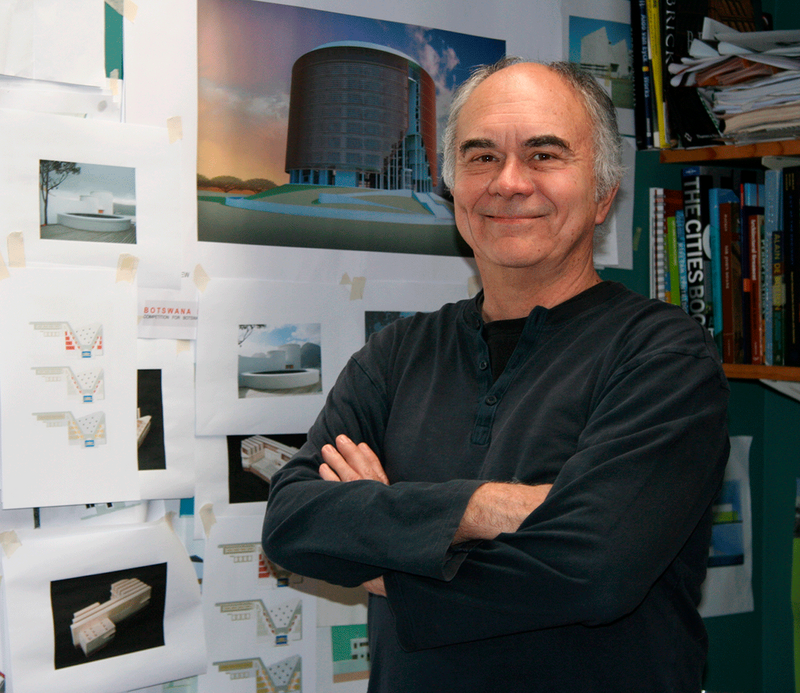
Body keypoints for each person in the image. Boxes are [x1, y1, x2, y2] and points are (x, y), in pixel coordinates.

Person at [262, 57, 730, 692]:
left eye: (543, 155)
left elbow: (593, 569)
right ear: (454, 187)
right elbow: (292, 523)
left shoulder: (662, 355)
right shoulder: (395, 355)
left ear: (602, 195)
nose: (509, 182)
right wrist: (493, 507)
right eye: (481, 157)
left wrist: (382, 546)